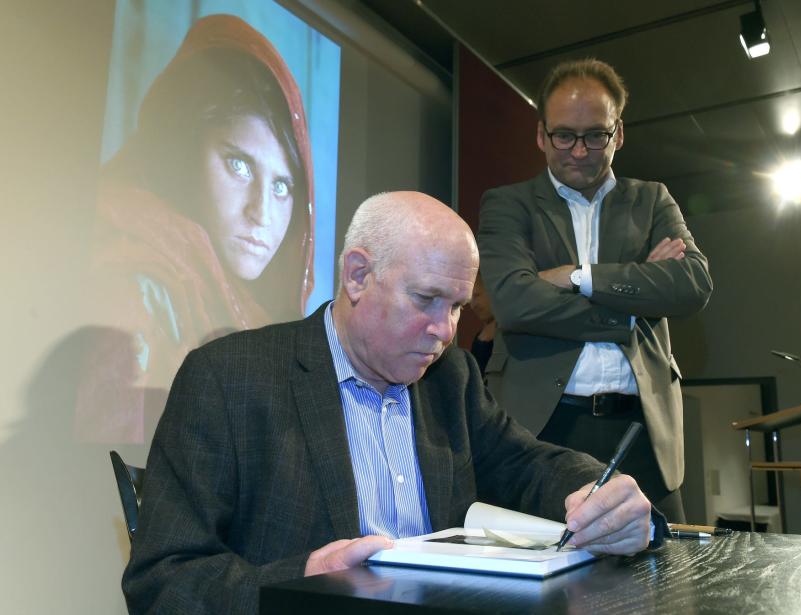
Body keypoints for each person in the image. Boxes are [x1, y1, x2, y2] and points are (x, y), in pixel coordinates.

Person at [122, 191, 658, 614]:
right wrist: (299, 583)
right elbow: (163, 580)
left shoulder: (449, 376)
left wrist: (598, 492)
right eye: (426, 300)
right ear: (358, 275)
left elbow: (524, 461)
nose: (444, 331)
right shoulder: (228, 378)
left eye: (456, 308)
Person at [477, 59, 713, 523]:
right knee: (532, 590)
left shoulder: (653, 200)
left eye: (595, 135)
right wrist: (632, 304)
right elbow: (512, 302)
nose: (579, 151)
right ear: (541, 135)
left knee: (662, 583)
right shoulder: (507, 205)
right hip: (541, 429)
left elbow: (692, 285)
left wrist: (578, 276)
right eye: (564, 135)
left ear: (618, 133)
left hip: (644, 434)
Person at [77, 15, 315, 442]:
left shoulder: (255, 317)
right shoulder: (131, 283)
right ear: (184, 149)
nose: (262, 212)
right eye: (238, 165)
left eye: (283, 186)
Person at [468, 273, 497, 377]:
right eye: (470, 299)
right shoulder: (479, 338)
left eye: (476, 295)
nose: (473, 305)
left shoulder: (509, 338)